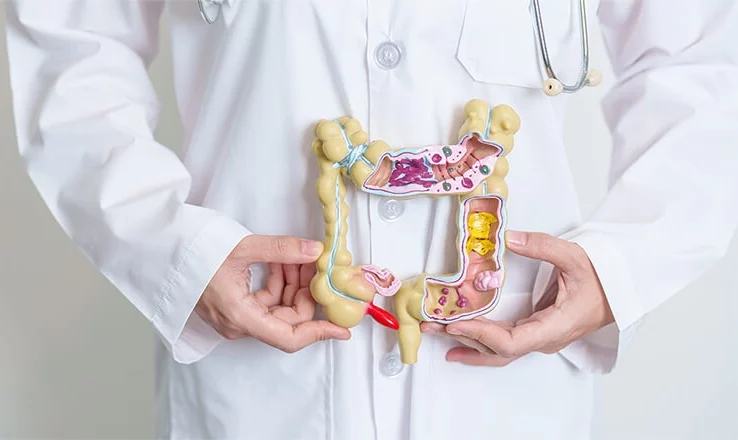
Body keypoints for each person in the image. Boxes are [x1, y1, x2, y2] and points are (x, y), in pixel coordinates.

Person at [4, 0, 738, 438]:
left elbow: (700, 58)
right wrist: (171, 252)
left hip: (507, 383)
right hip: (259, 378)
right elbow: (72, 39)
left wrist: (624, 269)